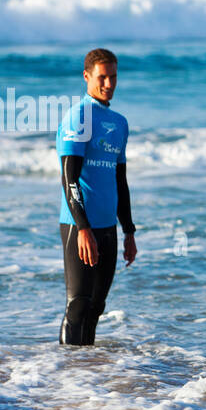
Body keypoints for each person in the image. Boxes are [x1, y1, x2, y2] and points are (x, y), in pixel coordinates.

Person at [57, 48, 136, 346]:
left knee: (96, 307)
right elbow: (70, 178)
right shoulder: (78, 116)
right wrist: (83, 228)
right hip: (81, 227)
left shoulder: (119, 123)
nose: (108, 84)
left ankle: (85, 377)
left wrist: (128, 231)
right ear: (87, 76)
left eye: (113, 76)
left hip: (108, 228)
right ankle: (64, 373)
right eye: (102, 77)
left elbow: (120, 180)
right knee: (78, 304)